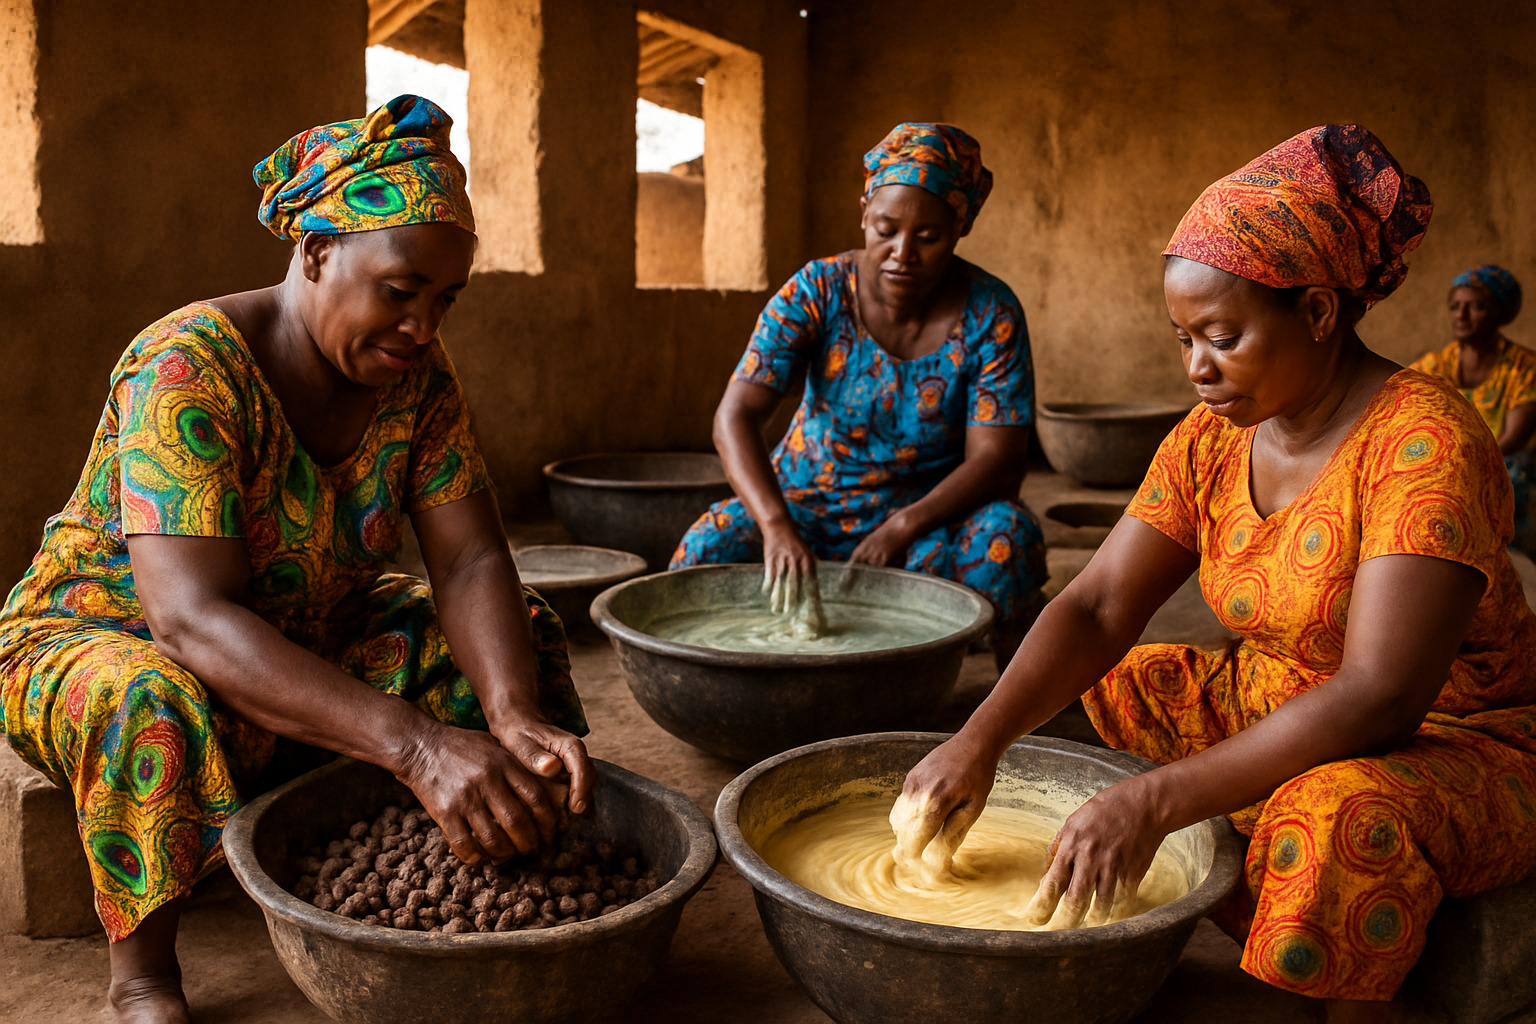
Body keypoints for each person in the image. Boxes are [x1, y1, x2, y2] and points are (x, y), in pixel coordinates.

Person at [899, 125, 1536, 1023]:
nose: (1196, 368)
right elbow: (1097, 604)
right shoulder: (1212, 435)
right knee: (1124, 681)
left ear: (1317, 311)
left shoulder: (1425, 443)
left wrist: (1154, 799)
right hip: (1283, 695)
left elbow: (1380, 696)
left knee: (1333, 816)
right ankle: (1224, 872)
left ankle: (1354, 999)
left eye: (1222, 336)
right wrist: (979, 737)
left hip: (1456, 737)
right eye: (1183, 338)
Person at [0, 96, 591, 1024]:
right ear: (316, 254)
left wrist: (510, 711)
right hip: (107, 634)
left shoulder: (419, 383)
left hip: (305, 626)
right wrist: (419, 746)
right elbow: (188, 618)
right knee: (147, 699)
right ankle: (144, 975)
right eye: (400, 292)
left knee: (513, 633)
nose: (423, 327)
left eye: (445, 301)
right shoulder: (187, 368)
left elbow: (472, 558)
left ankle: (471, 845)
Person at [669, 123, 1048, 664]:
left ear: (960, 226)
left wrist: (902, 526)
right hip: (803, 509)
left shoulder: (992, 313)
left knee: (1004, 540)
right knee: (709, 547)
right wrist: (776, 525)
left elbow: (998, 460)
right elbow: (734, 417)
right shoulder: (818, 290)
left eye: (928, 237)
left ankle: (987, 697)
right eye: (886, 229)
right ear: (864, 212)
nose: (902, 253)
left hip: (924, 526)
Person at [1410, 265, 1536, 554]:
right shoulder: (1435, 366)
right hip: (1450, 462)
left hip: (1506, 464)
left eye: (1475, 307)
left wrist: (1464, 465)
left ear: (1499, 313)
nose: (1461, 315)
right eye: (1455, 306)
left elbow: (1513, 439)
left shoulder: (1524, 369)